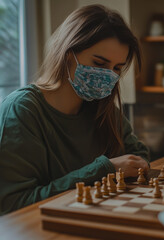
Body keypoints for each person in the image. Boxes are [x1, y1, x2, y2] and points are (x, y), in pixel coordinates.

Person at [0, 5, 150, 215]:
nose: (109, 76)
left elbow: (139, 156)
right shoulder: (21, 111)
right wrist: (103, 170)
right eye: (99, 63)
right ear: (68, 55)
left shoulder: (100, 106)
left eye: (117, 68)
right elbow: (13, 205)